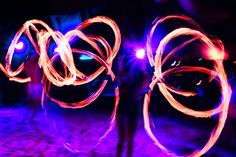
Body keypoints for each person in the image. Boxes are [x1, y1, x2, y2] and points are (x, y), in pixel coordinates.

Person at [115, 52, 150, 157]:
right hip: (123, 107)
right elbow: (118, 82)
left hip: (134, 108)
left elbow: (144, 86)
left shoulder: (141, 75)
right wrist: (120, 64)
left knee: (130, 139)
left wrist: (143, 66)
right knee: (122, 138)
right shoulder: (123, 74)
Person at [24, 51, 42, 123]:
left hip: (37, 86)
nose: (34, 56)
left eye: (35, 56)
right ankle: (30, 118)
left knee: (37, 104)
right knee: (36, 104)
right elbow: (29, 72)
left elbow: (38, 74)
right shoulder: (28, 65)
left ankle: (31, 118)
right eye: (33, 55)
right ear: (30, 56)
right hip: (33, 86)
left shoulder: (36, 64)